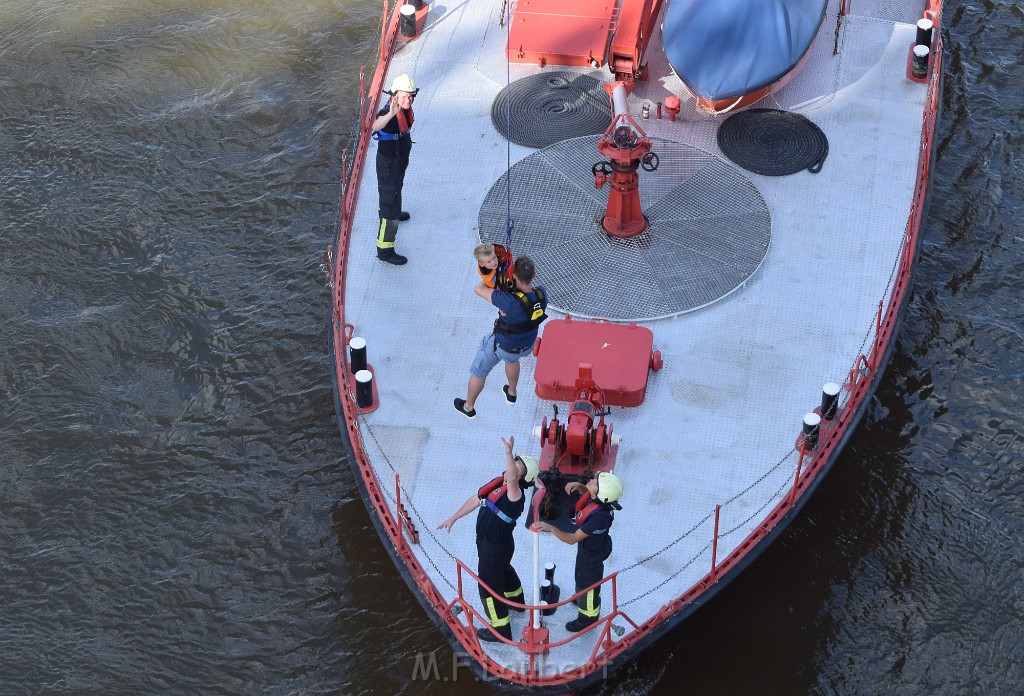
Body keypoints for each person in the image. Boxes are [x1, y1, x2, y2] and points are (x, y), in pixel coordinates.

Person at [437, 436, 540, 642]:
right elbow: (477, 499)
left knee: (487, 587)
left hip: (495, 547)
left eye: (520, 468)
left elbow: (511, 479)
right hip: (490, 545)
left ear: (522, 480)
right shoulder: (497, 485)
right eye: (516, 463)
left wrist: (509, 454)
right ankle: (516, 599)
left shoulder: (515, 494)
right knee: (503, 570)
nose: (514, 467)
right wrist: (454, 517)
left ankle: (501, 630)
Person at [453, 256, 547, 419]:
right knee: (512, 359)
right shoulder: (542, 294)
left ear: (514, 276)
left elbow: (479, 289)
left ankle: (468, 407)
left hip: (503, 344)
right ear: (534, 275)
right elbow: (524, 310)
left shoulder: (508, 301)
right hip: (526, 345)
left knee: (479, 371)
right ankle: (511, 392)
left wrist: (496, 276)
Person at [531, 472, 622, 633]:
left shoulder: (598, 518)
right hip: (591, 547)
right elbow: (590, 495)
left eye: (595, 482)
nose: (592, 481)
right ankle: (581, 599)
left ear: (600, 493)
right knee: (581, 579)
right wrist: (580, 486)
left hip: (591, 556)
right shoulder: (601, 500)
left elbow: (572, 538)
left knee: (587, 584)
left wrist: (550, 527)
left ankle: (587, 618)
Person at [371, 73, 418, 265]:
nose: (409, 99)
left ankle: (393, 211)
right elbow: (374, 125)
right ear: (395, 95)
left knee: (396, 189)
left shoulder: (403, 106)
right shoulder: (387, 111)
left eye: (411, 95)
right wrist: (391, 114)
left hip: (399, 158)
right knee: (389, 202)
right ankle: (385, 251)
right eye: (406, 95)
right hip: (389, 162)